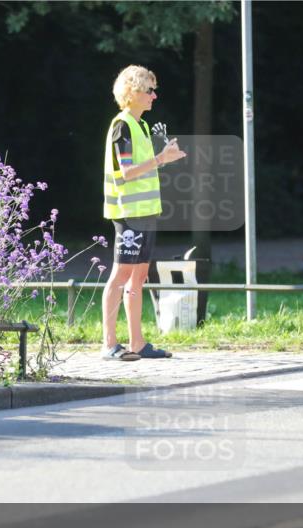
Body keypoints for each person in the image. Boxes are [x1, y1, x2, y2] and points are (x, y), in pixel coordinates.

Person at [101, 65, 186, 361]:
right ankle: (110, 344)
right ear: (132, 92)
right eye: (149, 89)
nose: (154, 95)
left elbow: (141, 169)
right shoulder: (122, 125)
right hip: (128, 214)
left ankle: (137, 343)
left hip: (146, 212)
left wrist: (163, 160)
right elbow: (126, 173)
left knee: (138, 277)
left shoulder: (141, 126)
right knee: (121, 275)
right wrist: (161, 158)